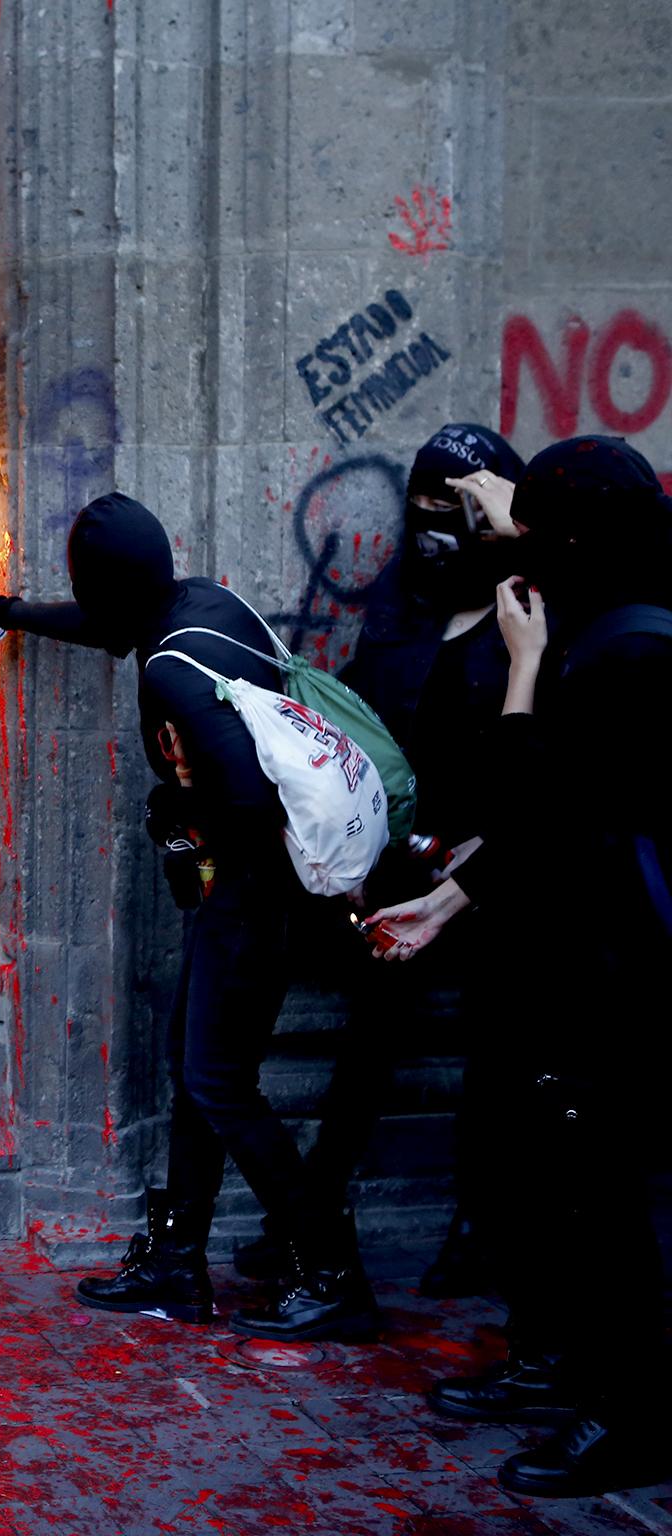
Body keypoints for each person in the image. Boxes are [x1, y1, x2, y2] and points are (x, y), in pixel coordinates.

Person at [0, 493, 377, 1342]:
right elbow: (113, 625)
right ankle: (178, 1264)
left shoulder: (169, 669)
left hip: (252, 897)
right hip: (261, 895)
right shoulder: (201, 604)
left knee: (219, 1083)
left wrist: (181, 798)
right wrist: (3, 611)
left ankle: (329, 1271)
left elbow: (248, 802)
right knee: (197, 1072)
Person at [365, 435, 672, 1497]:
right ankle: (579, 1380)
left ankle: (626, 1417)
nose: (516, 550)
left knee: (609, 1202)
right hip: (574, 954)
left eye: (537, 531)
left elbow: (535, 810)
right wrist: (446, 905)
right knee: (561, 1184)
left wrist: (524, 677)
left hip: (612, 973)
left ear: (577, 536)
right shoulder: (618, 603)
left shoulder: (626, 651)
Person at [230, 425, 525, 1294]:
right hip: (400, 863)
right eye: (426, 502)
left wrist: (484, 848)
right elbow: (364, 728)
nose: (438, 525)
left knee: (501, 1037)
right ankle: (314, 1215)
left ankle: (477, 1227)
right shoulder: (402, 610)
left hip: (498, 867)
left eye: (462, 506)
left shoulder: (523, 613)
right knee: (368, 1034)